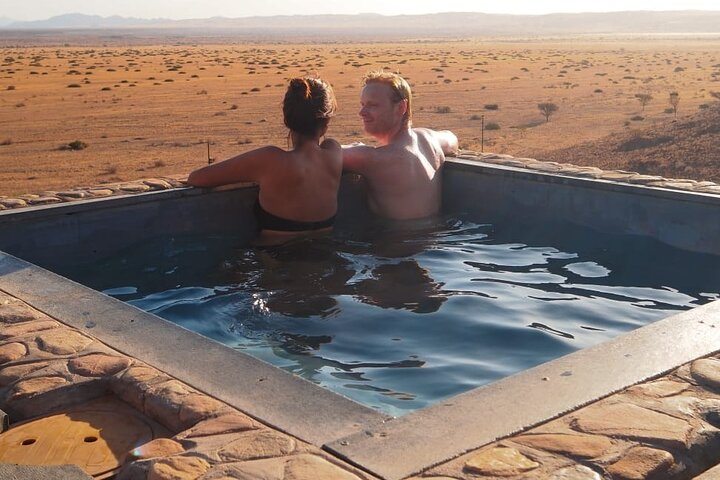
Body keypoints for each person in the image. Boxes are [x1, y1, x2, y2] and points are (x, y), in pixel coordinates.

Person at [187, 77, 342, 245]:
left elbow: (197, 178)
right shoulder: (334, 153)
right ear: (326, 124)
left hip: (273, 263)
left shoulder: (270, 161)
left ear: (287, 120)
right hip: (324, 256)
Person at [342, 71, 458, 220]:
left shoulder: (377, 159)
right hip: (435, 238)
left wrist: (356, 148)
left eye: (372, 105)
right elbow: (452, 139)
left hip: (398, 241)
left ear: (401, 108)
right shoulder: (429, 139)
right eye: (362, 104)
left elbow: (319, 155)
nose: (362, 112)